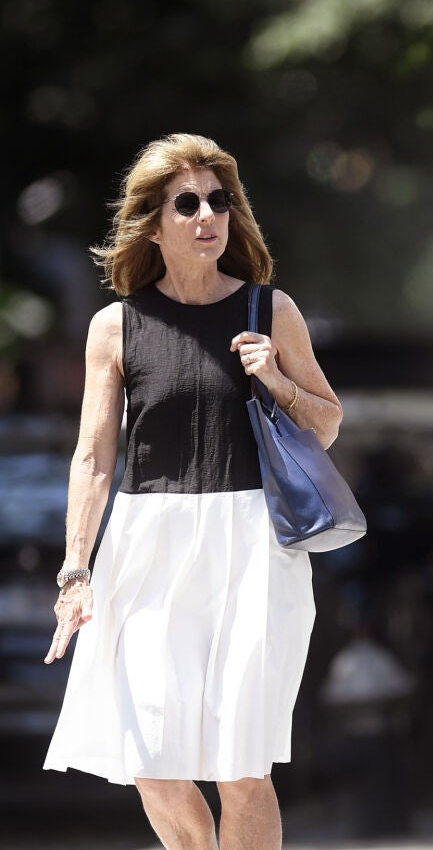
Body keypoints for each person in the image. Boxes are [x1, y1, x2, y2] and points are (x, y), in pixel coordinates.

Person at [44, 133, 343, 850]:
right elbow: (93, 456)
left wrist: (274, 377)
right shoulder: (115, 327)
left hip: (252, 549)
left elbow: (328, 424)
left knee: (242, 770)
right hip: (146, 547)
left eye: (219, 201)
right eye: (188, 203)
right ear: (154, 221)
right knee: (151, 759)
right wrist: (76, 567)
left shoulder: (271, 312)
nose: (208, 214)